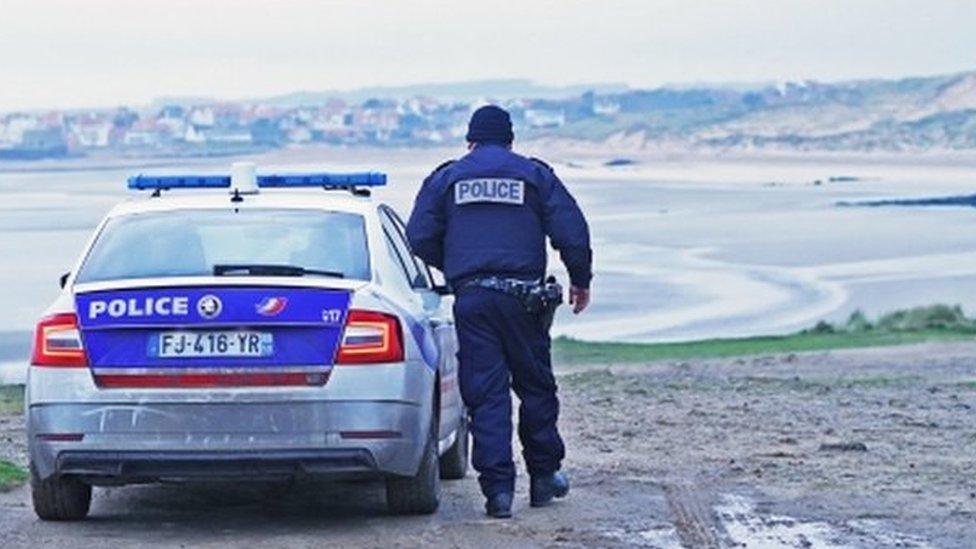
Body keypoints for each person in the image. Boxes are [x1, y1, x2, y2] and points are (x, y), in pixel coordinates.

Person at [406, 105, 593, 518]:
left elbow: (418, 236)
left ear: (470, 141)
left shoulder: (448, 177)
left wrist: (457, 267)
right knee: (535, 387)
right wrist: (581, 279)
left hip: (473, 299)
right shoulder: (533, 174)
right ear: (510, 140)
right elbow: (572, 230)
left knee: (486, 394)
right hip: (525, 300)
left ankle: (498, 494)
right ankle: (544, 478)